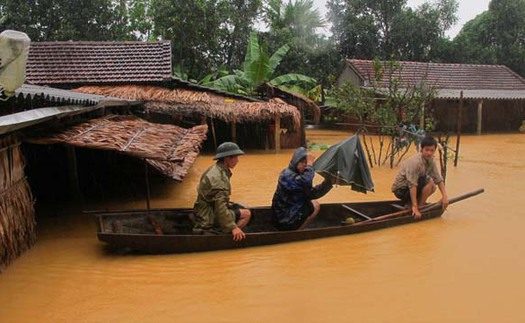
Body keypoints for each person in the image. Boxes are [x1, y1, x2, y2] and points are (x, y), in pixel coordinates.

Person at [193, 142, 251, 241]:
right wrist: (233, 227)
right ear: (227, 158)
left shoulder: (215, 169)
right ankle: (230, 235)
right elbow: (220, 208)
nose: (237, 161)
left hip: (203, 210)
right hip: (207, 217)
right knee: (247, 214)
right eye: (235, 157)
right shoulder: (219, 178)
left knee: (239, 206)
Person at [272, 147, 333, 231]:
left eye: (306, 163)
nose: (304, 165)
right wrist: (310, 165)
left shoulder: (300, 177)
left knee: (315, 204)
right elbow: (306, 181)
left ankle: (299, 231)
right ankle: (297, 233)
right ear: (295, 162)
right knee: (313, 205)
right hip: (283, 219)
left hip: (289, 213)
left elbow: (313, 193)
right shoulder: (286, 175)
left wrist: (328, 183)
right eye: (302, 162)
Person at [391, 136, 449, 219]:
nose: (429, 153)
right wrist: (415, 207)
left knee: (433, 186)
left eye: (432, 150)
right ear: (421, 150)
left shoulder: (431, 161)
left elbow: (439, 179)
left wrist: (445, 197)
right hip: (401, 190)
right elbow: (412, 185)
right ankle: (419, 207)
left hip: (412, 187)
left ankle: (415, 205)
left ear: (434, 151)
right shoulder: (415, 162)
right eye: (427, 150)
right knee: (430, 182)